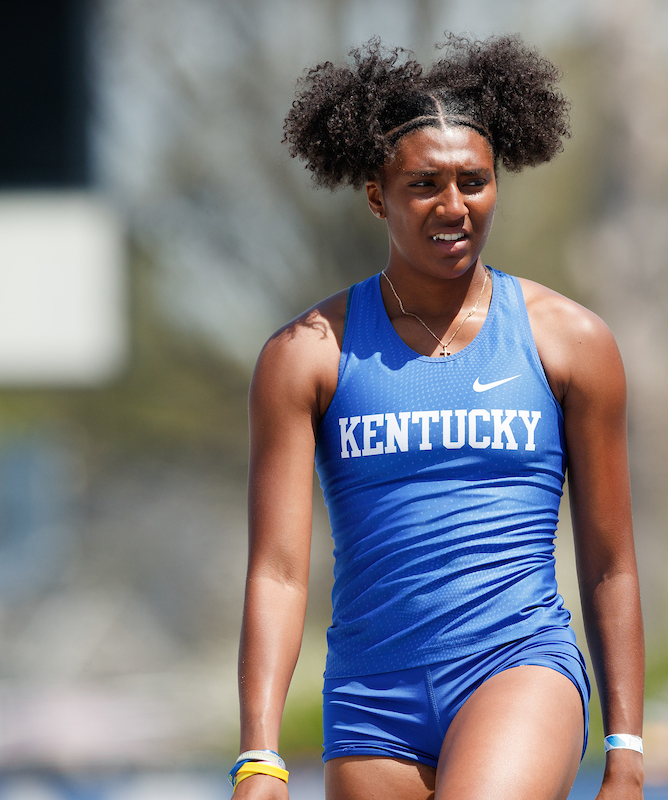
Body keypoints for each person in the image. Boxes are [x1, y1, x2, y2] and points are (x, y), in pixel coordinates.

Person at [233, 35, 645, 800]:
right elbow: (280, 572)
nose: (453, 207)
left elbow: (611, 561)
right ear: (375, 194)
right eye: (425, 184)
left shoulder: (571, 343)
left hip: (517, 665)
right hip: (370, 702)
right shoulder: (306, 356)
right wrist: (260, 756)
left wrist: (627, 748)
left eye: (474, 182)